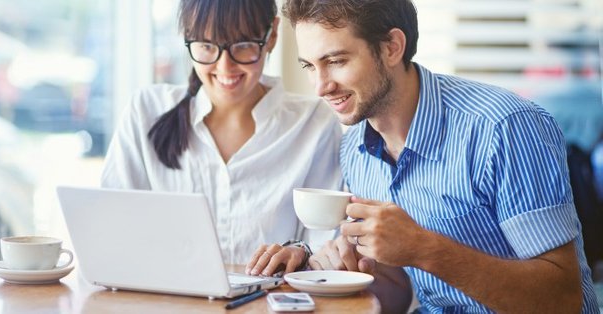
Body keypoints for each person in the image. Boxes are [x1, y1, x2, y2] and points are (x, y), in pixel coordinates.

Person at [247, 0, 599, 312]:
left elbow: (562, 299)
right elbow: (403, 294)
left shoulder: (503, 128)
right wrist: (358, 273)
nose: (321, 86)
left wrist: (425, 248)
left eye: (336, 61)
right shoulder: (355, 149)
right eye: (309, 66)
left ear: (392, 47)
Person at [101, 0, 342, 265]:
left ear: (271, 35)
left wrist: (302, 253)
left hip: (266, 304)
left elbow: (323, 243)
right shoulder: (146, 112)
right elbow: (113, 227)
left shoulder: (314, 123)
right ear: (187, 38)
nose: (225, 68)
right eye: (206, 46)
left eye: (242, 46)